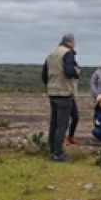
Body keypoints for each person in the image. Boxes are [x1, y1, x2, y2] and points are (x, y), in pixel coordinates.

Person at [41, 33, 81, 163]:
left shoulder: (51, 54)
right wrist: (76, 72)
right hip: (64, 92)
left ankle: (52, 149)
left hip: (52, 92)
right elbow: (69, 71)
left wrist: (50, 86)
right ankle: (58, 154)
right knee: (62, 124)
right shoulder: (67, 53)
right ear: (71, 42)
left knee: (54, 123)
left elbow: (44, 74)